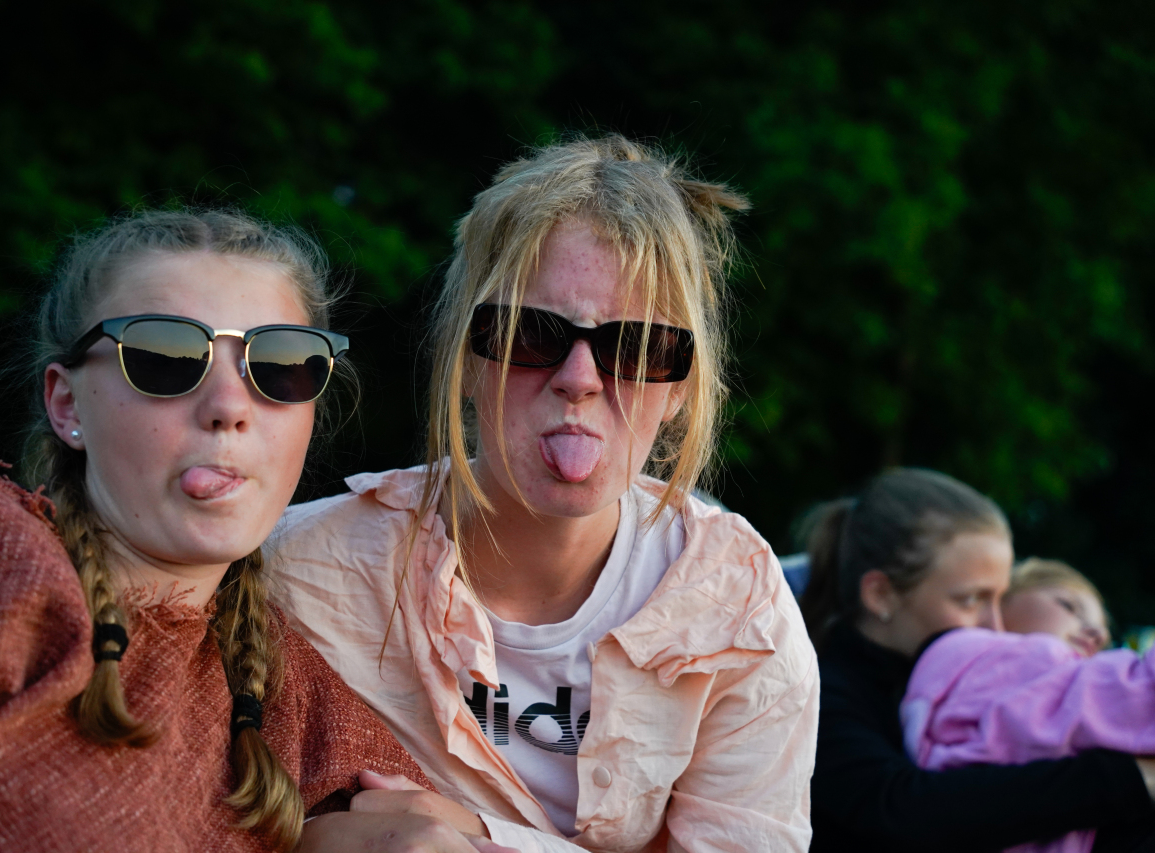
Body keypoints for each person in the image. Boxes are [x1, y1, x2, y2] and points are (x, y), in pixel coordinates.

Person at [0, 210, 512, 853]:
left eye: (279, 364)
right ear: (66, 404)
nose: (229, 407)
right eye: (164, 358)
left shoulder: (302, 704)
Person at [268, 135, 820, 852]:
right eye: (530, 334)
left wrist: (480, 837)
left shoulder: (739, 607)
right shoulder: (300, 570)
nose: (580, 379)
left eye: (635, 348)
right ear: (466, 358)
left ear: (679, 388)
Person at [803, 468, 1155, 853]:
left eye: (1000, 599)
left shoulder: (974, 676)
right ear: (881, 594)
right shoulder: (816, 695)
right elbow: (900, 810)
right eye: (971, 600)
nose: (995, 626)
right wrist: (1129, 779)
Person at [902, 559, 1155, 853]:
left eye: (1104, 636)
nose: (1096, 634)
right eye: (1070, 607)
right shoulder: (1013, 658)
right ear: (998, 604)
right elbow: (1127, 696)